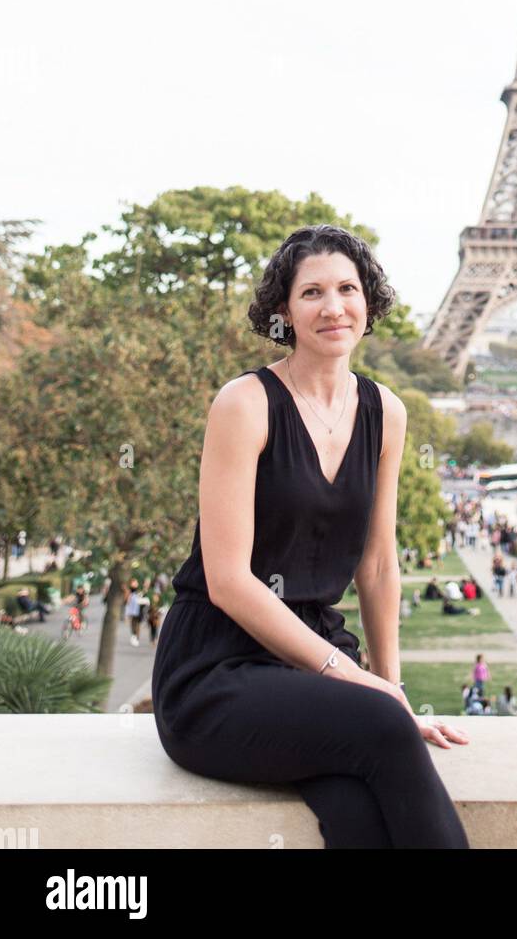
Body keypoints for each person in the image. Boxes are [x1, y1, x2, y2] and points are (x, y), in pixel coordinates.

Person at [151, 225, 470, 850]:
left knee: (360, 814)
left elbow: (377, 565)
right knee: (380, 730)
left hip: (311, 662)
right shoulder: (245, 403)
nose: (333, 307)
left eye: (347, 289)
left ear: (369, 303)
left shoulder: (387, 411)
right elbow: (227, 579)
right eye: (312, 292)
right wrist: (359, 684)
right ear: (283, 312)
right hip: (216, 667)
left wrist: (390, 682)